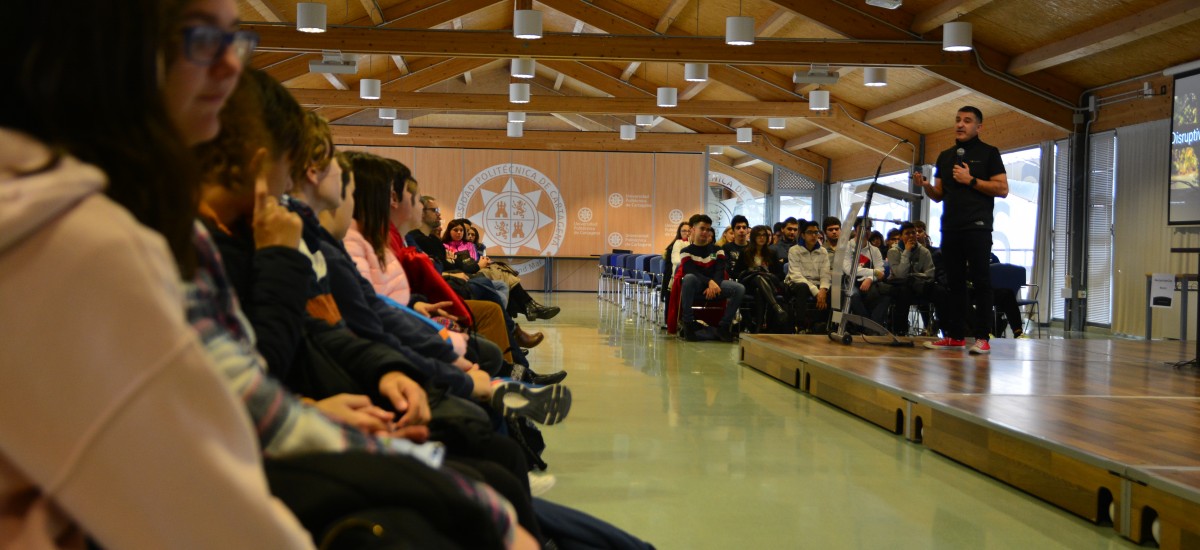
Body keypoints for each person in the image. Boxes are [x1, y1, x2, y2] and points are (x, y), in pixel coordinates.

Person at [0, 1, 315, 546]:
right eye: (198, 37)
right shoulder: (78, 241)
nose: (230, 66)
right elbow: (219, 523)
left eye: (234, 39)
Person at [914, 106, 1009, 355]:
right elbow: (938, 195)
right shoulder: (945, 156)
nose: (960, 124)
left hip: (977, 227)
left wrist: (972, 180)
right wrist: (925, 186)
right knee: (953, 283)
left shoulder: (989, 153)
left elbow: (1002, 189)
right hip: (951, 227)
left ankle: (981, 337)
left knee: (980, 281)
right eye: (957, 120)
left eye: (967, 121)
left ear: (979, 126)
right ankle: (955, 335)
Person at [442, 216, 560, 322]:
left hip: (475, 271)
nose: (461, 233)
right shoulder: (445, 247)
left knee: (501, 272)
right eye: (456, 230)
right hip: (467, 275)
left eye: (463, 231)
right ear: (449, 231)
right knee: (500, 271)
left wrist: (482, 263)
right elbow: (462, 267)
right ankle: (528, 306)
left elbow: (473, 261)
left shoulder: (470, 246)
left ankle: (527, 309)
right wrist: (479, 265)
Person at [674, 214, 746, 342]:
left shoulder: (717, 250)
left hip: (716, 286)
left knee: (739, 288)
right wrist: (709, 282)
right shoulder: (685, 251)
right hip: (696, 286)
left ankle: (723, 326)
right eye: (702, 228)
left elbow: (719, 271)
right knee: (689, 278)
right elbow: (692, 271)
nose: (705, 232)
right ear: (693, 230)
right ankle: (688, 324)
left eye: (708, 229)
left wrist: (714, 284)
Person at [885, 222, 939, 336]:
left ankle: (943, 328)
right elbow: (900, 274)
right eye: (907, 233)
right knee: (904, 291)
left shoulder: (924, 251)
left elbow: (930, 274)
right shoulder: (893, 252)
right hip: (900, 286)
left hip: (920, 285)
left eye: (913, 233)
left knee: (940, 291)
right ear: (901, 236)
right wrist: (907, 252)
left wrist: (914, 276)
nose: (911, 236)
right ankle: (900, 331)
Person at [732, 225, 787, 332]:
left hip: (767, 284)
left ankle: (758, 327)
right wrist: (749, 271)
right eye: (758, 235)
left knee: (759, 289)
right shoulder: (745, 252)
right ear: (753, 237)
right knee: (757, 277)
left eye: (764, 235)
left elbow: (781, 275)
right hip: (749, 284)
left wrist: (768, 274)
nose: (762, 238)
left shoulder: (771, 253)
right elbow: (735, 273)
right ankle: (776, 307)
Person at [784, 220, 832, 334]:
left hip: (817, 283)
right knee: (803, 287)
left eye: (816, 232)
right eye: (810, 232)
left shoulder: (823, 251)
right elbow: (796, 275)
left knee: (834, 290)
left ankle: (823, 324)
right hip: (797, 283)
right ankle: (800, 325)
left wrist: (823, 289)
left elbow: (825, 274)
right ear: (803, 235)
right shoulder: (794, 250)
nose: (814, 235)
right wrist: (816, 291)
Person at [660, 220, 691, 299]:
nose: (686, 233)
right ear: (679, 232)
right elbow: (676, 262)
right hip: (672, 275)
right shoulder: (674, 245)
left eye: (688, 231)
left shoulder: (692, 244)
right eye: (684, 231)